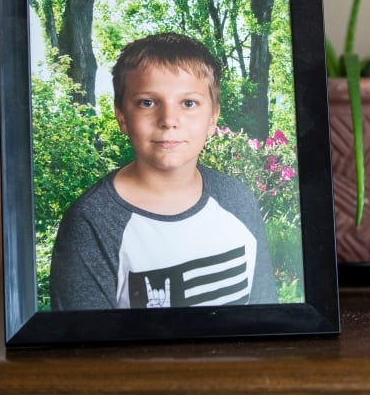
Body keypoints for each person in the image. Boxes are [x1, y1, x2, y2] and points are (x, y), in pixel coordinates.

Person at [50, 33, 277, 310]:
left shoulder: (237, 201)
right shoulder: (91, 222)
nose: (169, 120)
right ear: (122, 116)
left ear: (213, 117)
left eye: (189, 103)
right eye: (147, 102)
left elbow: (266, 317)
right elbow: (85, 349)